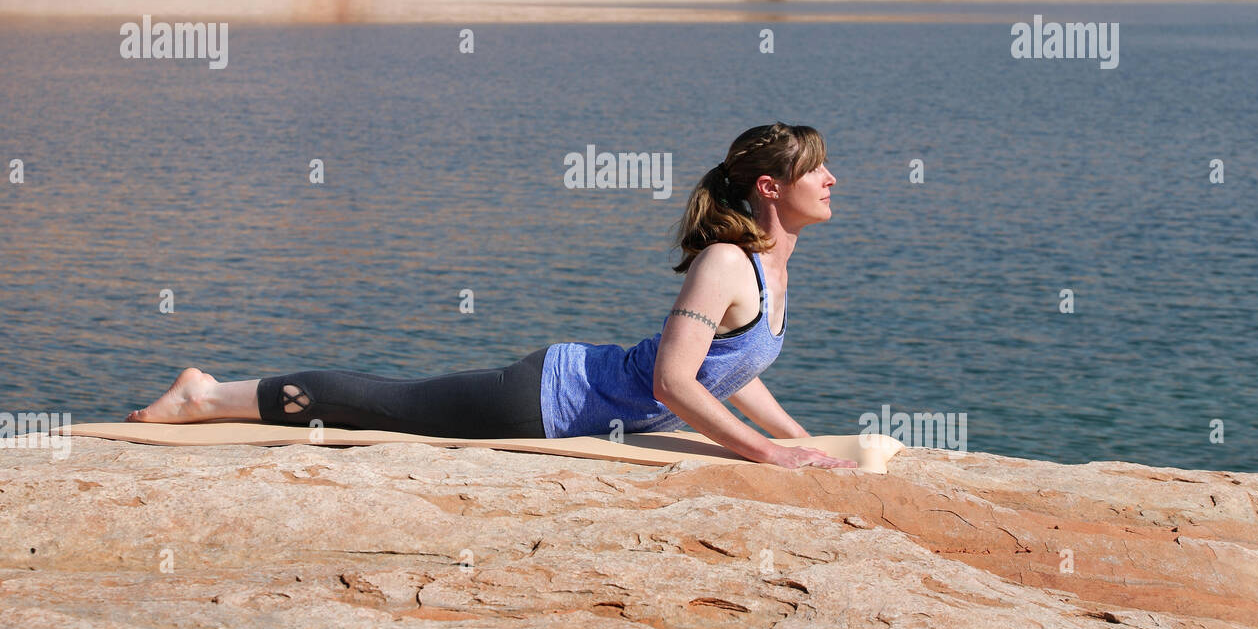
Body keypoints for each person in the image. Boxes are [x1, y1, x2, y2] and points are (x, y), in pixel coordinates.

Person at [127, 121, 856, 470]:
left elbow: (734, 369)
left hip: (587, 408)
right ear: (770, 187)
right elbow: (672, 377)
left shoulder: (772, 269)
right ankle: (206, 395)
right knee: (381, 403)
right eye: (816, 171)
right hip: (548, 400)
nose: (830, 182)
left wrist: (794, 441)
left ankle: (211, 392)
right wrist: (760, 455)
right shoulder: (727, 261)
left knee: (385, 402)